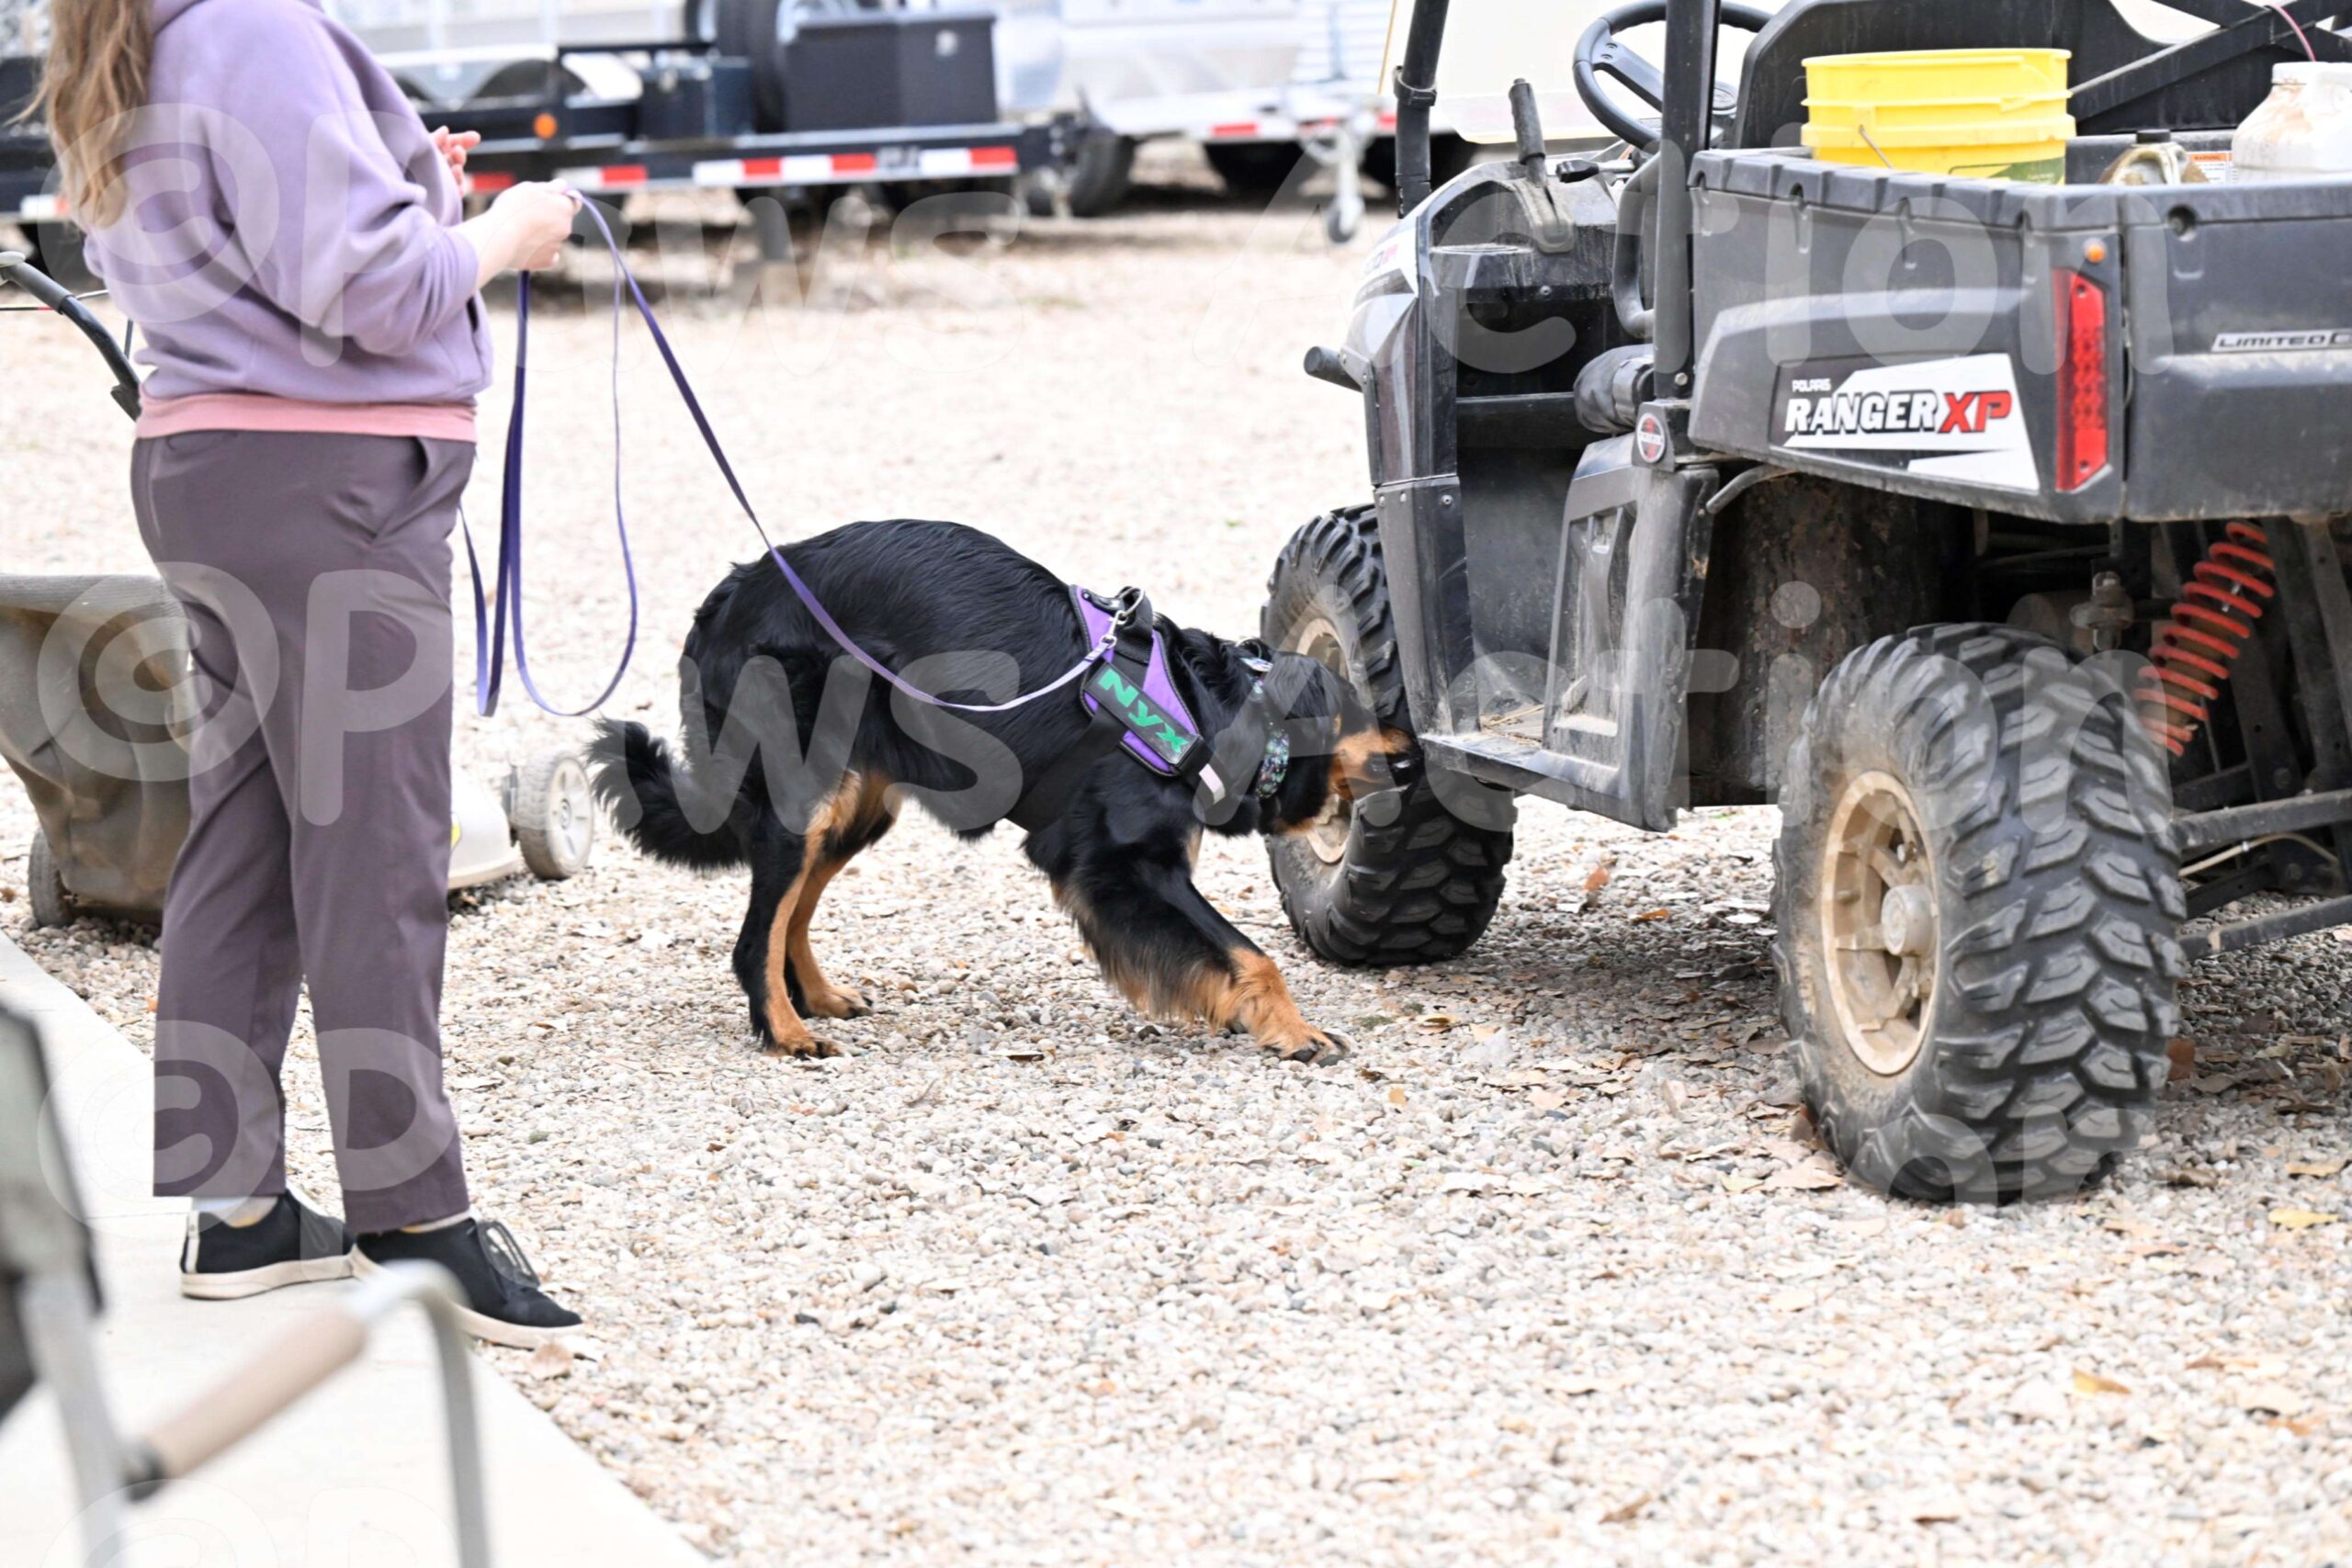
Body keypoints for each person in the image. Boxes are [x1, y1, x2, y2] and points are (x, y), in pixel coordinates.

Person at [35, 0, 583, 1345]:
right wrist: (507, 231)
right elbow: (376, 291)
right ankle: (417, 1224)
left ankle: (239, 1212)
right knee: (374, 852)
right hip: (327, 486)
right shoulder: (255, 22)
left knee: (249, 833)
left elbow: (253, 244)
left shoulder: (144, 28)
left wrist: (412, 188)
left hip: (221, 470)